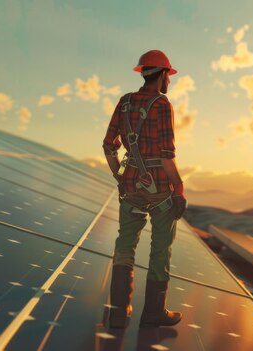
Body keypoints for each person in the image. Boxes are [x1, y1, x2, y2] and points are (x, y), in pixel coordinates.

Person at [102, 49, 187, 329]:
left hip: (130, 187)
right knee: (160, 249)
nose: (170, 82)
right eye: (169, 76)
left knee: (125, 245)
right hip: (160, 189)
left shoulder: (125, 102)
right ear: (162, 75)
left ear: (143, 72)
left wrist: (119, 175)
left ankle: (117, 312)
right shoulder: (162, 104)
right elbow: (166, 156)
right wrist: (179, 187)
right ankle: (153, 312)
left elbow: (108, 145)